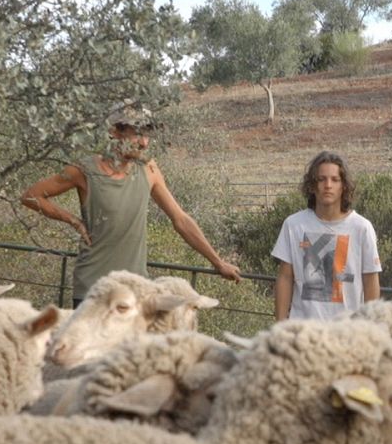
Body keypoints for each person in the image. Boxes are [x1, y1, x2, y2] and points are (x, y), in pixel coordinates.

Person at [21, 102, 241, 306]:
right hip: (93, 292)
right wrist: (73, 221)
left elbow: (180, 219)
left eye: (147, 134)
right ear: (115, 132)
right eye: (137, 133)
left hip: (136, 292)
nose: (144, 142)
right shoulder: (84, 170)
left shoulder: (149, 169)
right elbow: (31, 196)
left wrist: (218, 262)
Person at [272, 151, 381, 321]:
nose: (328, 185)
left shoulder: (362, 228)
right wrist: (279, 326)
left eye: (335, 179)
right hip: (303, 332)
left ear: (344, 185)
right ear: (312, 185)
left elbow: (370, 281)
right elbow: (285, 277)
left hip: (348, 332)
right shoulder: (294, 225)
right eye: (321, 179)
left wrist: (371, 327)